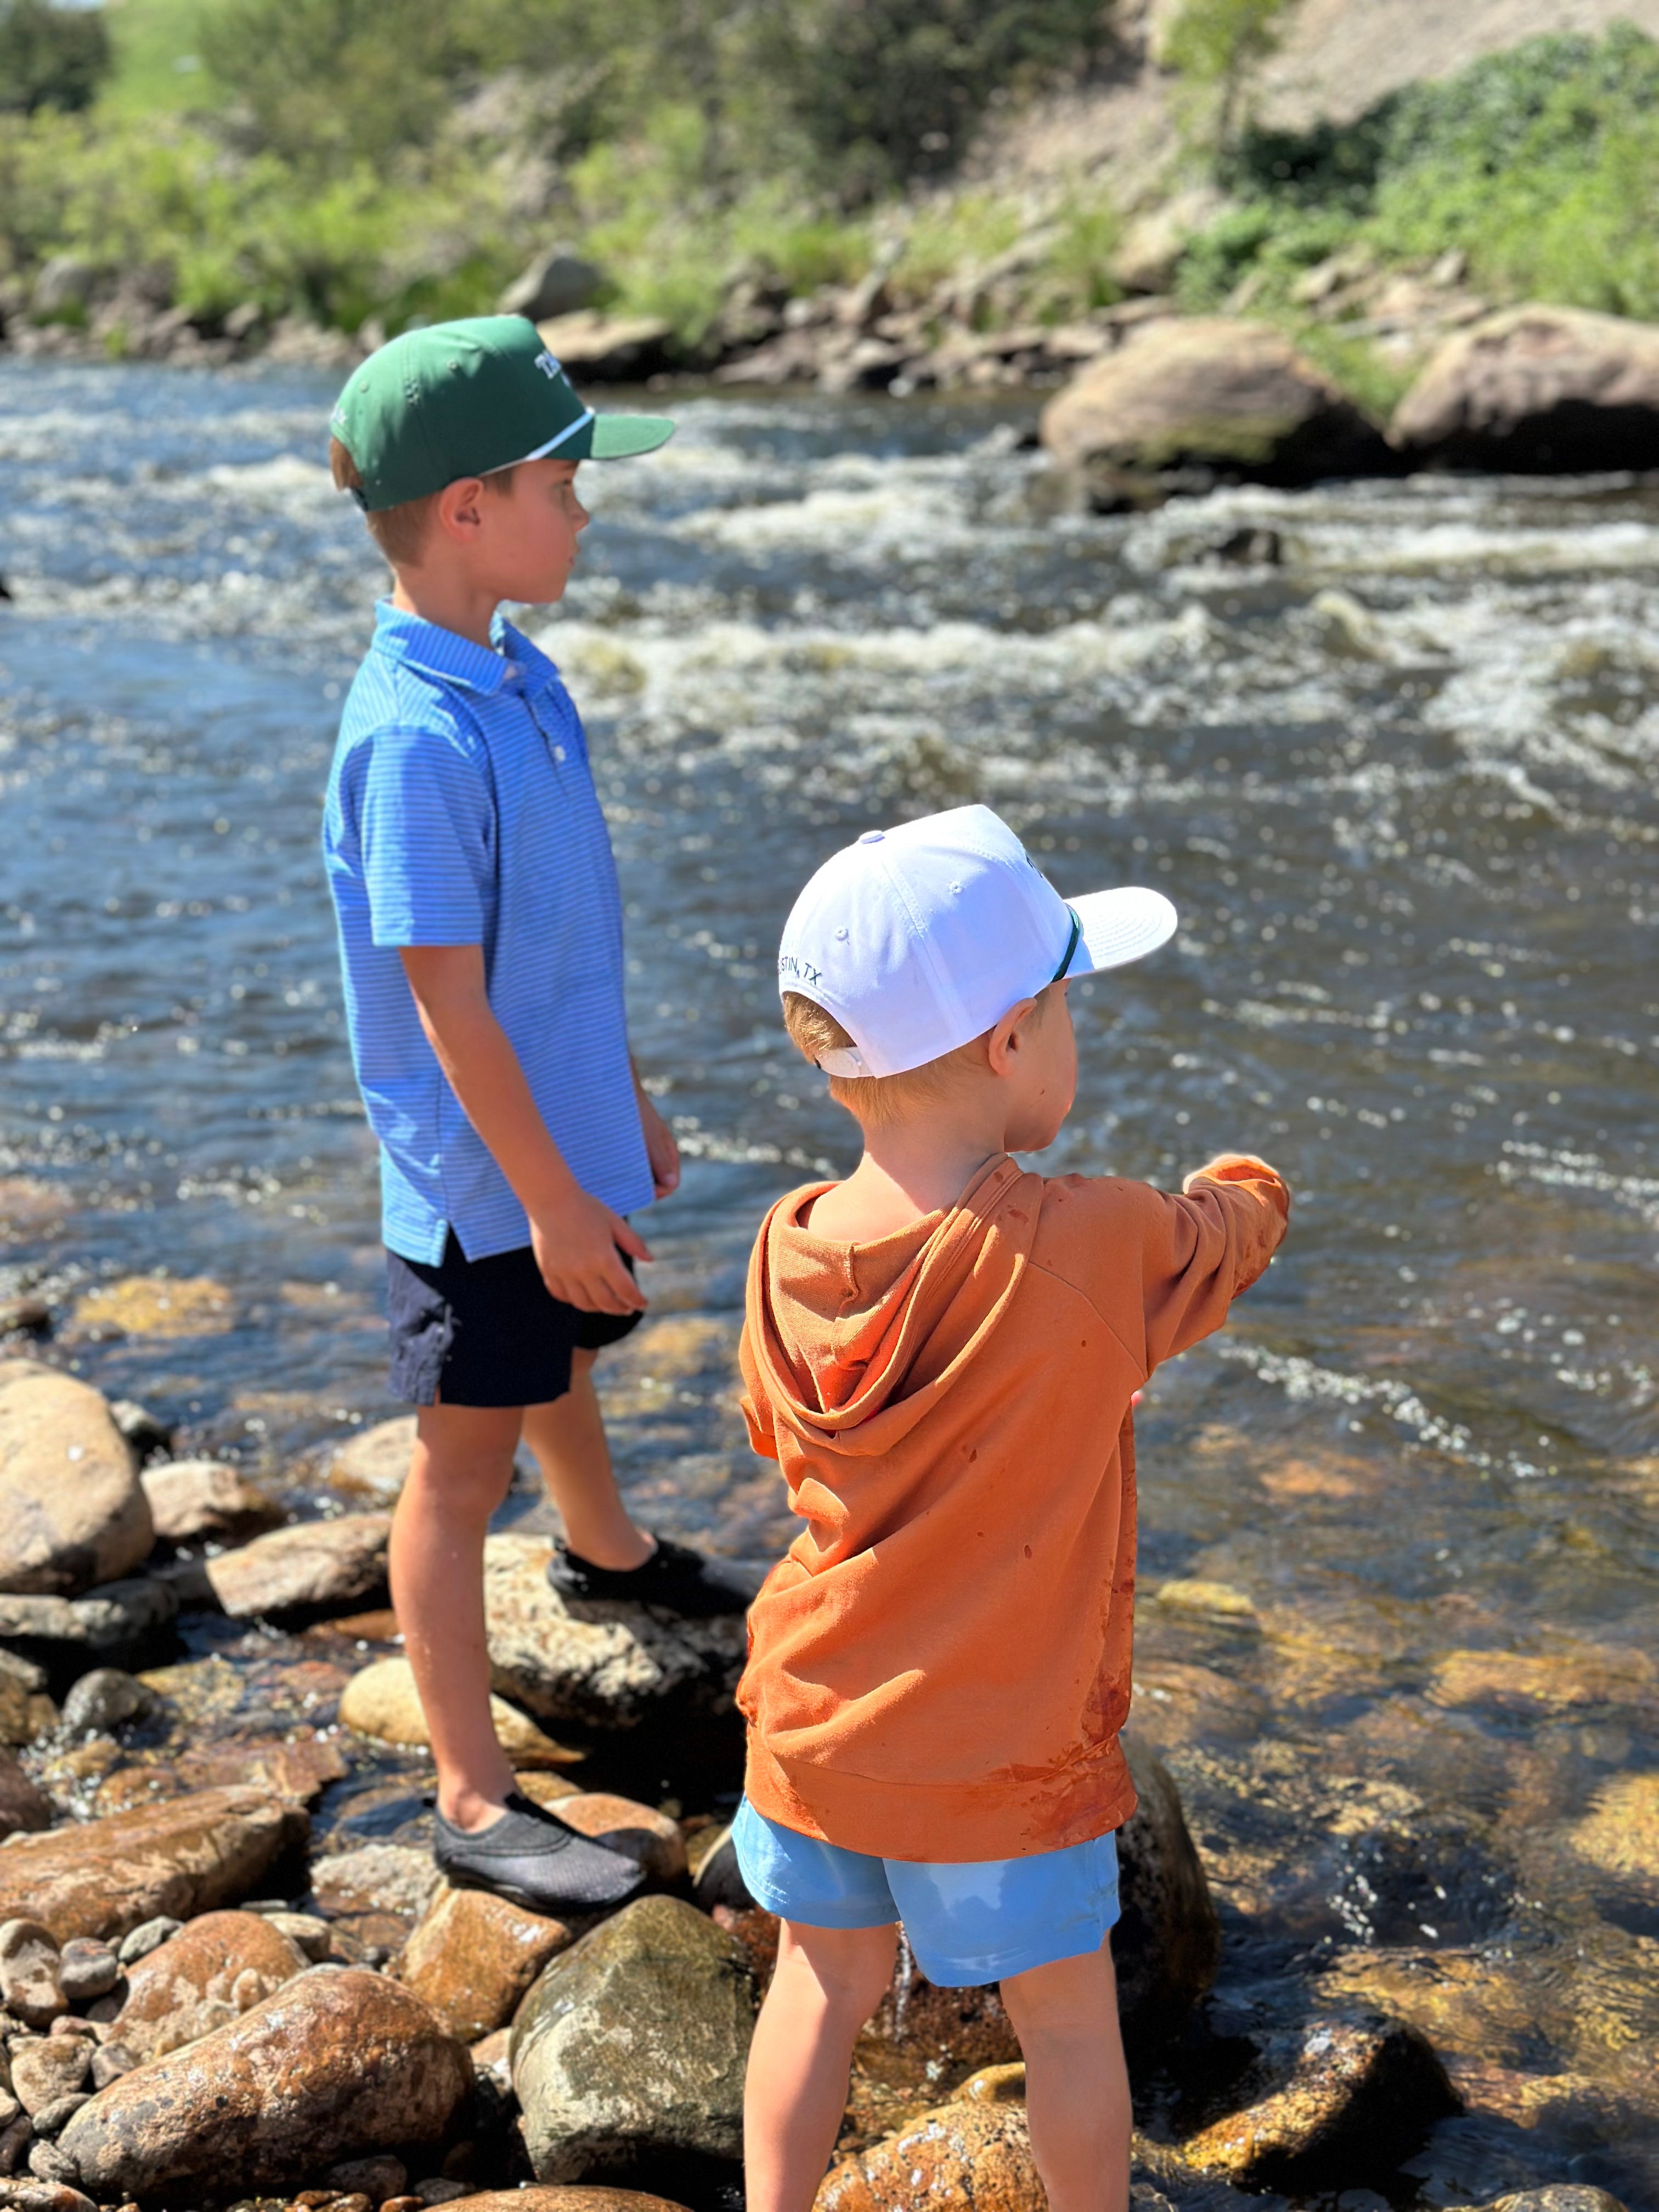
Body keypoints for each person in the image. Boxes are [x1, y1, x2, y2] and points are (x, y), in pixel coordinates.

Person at [732, 805, 1291, 2212]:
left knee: (820, 1981)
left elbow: (771, 1432)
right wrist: (1248, 1181)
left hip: (815, 1723)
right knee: (1064, 2019)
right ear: (1008, 1044)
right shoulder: (1089, 1240)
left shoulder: (784, 1248)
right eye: (1067, 1006)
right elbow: (1222, 1241)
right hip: (1000, 1763)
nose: (1073, 1037)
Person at [321, 315, 760, 1915]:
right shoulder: (417, 740)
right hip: (477, 1180)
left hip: (554, 1140)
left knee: (565, 1344)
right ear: (465, 509)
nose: (586, 511)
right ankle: (467, 1790)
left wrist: (621, 1097)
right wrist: (545, 1199)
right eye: (563, 485)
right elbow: (445, 1006)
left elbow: (561, 936)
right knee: (458, 1462)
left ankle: (610, 1550)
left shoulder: (520, 675)